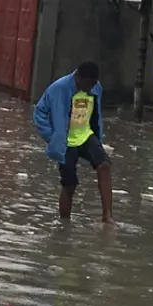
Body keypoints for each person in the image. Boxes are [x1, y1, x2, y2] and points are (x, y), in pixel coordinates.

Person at [33, 61, 114, 224]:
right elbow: (39, 112)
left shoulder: (96, 88)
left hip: (85, 135)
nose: (90, 88)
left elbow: (95, 114)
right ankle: (64, 223)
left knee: (104, 165)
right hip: (65, 142)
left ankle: (107, 215)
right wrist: (52, 137)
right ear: (77, 76)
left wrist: (98, 136)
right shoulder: (59, 88)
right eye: (87, 84)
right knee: (70, 184)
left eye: (93, 84)